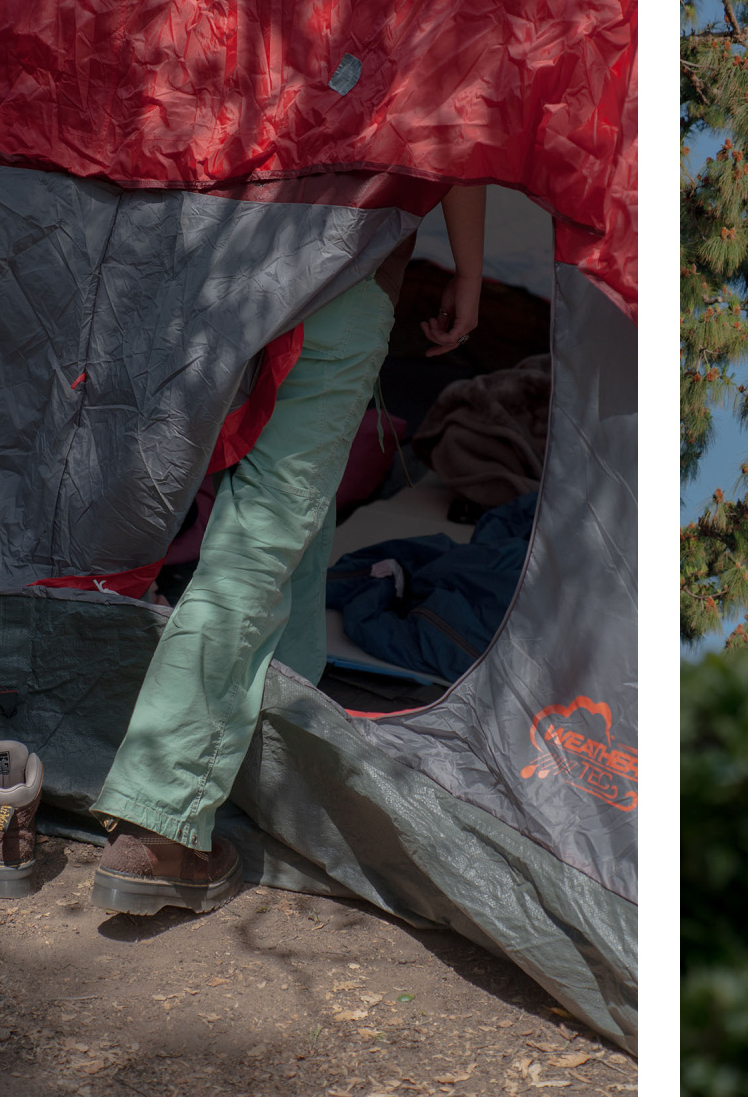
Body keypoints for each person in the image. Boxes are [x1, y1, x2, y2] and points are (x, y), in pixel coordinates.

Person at [87, 187, 488, 917]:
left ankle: (276, 767)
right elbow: (460, 133)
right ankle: (158, 820)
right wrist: (468, 266)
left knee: (297, 525)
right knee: (261, 536)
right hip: (335, 283)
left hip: (224, 266)